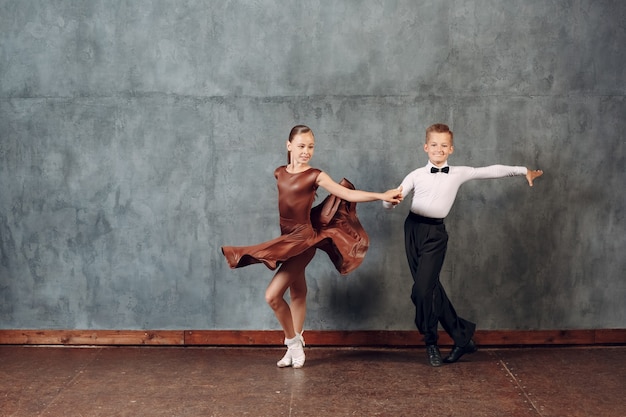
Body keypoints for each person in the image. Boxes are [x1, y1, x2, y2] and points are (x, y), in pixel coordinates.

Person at [222, 124, 403, 368]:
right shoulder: (279, 172)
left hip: (303, 242)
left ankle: (293, 343)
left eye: (310, 147)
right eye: (301, 146)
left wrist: (381, 195)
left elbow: (347, 195)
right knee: (298, 293)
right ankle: (295, 344)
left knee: (272, 296)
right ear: (289, 146)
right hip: (286, 240)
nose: (306, 151)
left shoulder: (315, 175)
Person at [383, 123, 543, 367]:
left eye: (444, 145)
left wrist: (524, 171)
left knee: (422, 291)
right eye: (434, 145)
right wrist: (390, 202)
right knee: (431, 288)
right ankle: (462, 337)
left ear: (451, 149)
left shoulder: (459, 172)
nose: (439, 149)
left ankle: (431, 343)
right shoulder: (415, 174)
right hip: (413, 229)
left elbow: (491, 171)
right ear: (426, 147)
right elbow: (391, 200)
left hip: (435, 234)